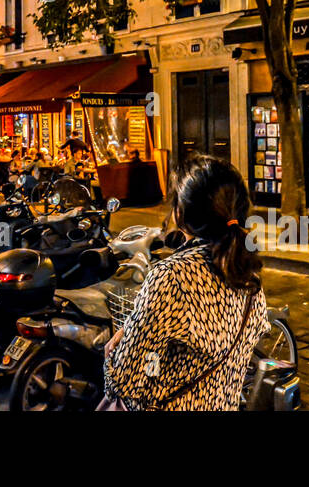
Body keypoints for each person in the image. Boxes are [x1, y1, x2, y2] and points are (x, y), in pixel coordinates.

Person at [103, 156, 269, 411]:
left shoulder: (172, 276)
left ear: (181, 212)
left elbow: (126, 380)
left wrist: (114, 350)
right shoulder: (247, 274)